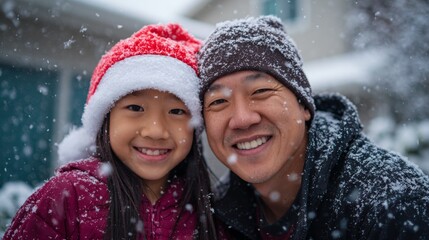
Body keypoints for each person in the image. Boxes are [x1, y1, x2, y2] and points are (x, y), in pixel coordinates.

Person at [198, 15, 429, 239]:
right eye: (218, 102)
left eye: (261, 91)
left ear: (304, 105)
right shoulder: (214, 218)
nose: (242, 119)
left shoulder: (392, 203)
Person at [4, 23, 220, 240]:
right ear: (105, 119)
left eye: (176, 111)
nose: (156, 131)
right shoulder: (65, 197)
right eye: (135, 108)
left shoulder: (209, 208)